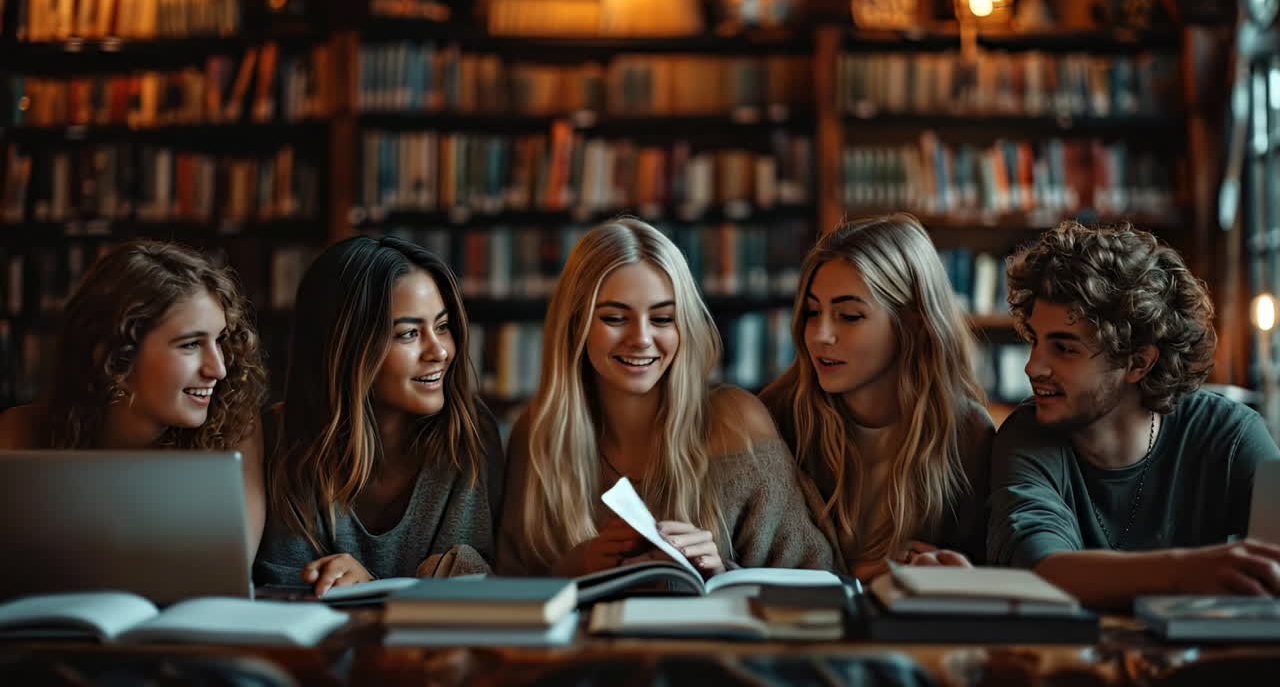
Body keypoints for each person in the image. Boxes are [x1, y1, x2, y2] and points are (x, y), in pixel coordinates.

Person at [497, 217, 832, 577]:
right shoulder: (537, 432)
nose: (641, 338)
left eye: (662, 319)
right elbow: (508, 589)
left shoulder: (736, 420)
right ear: (576, 324)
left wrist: (721, 573)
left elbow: (813, 578)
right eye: (614, 318)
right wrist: (574, 567)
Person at [988, 221, 1280, 608]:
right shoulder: (1027, 436)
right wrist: (1186, 572)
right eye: (1036, 341)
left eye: (1064, 349)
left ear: (1138, 363)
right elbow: (1041, 572)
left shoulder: (1229, 435)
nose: (1033, 367)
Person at [255, 236, 502, 596]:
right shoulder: (275, 440)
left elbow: (480, 588)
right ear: (344, 348)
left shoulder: (471, 435)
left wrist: (372, 589)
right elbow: (275, 592)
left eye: (443, 326)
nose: (440, 351)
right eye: (409, 333)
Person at [759, 214, 993, 581]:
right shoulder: (775, 417)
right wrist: (862, 573)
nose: (820, 335)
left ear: (914, 320)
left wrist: (951, 570)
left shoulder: (968, 433)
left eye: (849, 316)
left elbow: (982, 575)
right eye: (812, 312)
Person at [0, 240, 268, 552]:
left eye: (220, 340)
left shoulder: (234, 430)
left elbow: (234, 560)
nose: (219, 369)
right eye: (191, 344)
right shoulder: (20, 434)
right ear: (114, 356)